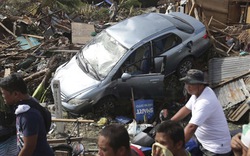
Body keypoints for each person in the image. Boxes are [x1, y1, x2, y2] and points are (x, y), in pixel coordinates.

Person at [171, 69, 232, 155]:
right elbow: (186, 109)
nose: (187, 87)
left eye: (191, 84)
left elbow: (191, 127)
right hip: (203, 142)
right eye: (186, 83)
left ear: (200, 85)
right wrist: (169, 123)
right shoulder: (197, 93)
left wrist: (176, 148)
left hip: (215, 149)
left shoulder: (205, 101)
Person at [0, 73, 54, 156]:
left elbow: (29, 147)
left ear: (15, 94)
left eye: (3, 93)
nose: (3, 96)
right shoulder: (28, 104)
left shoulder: (28, 115)